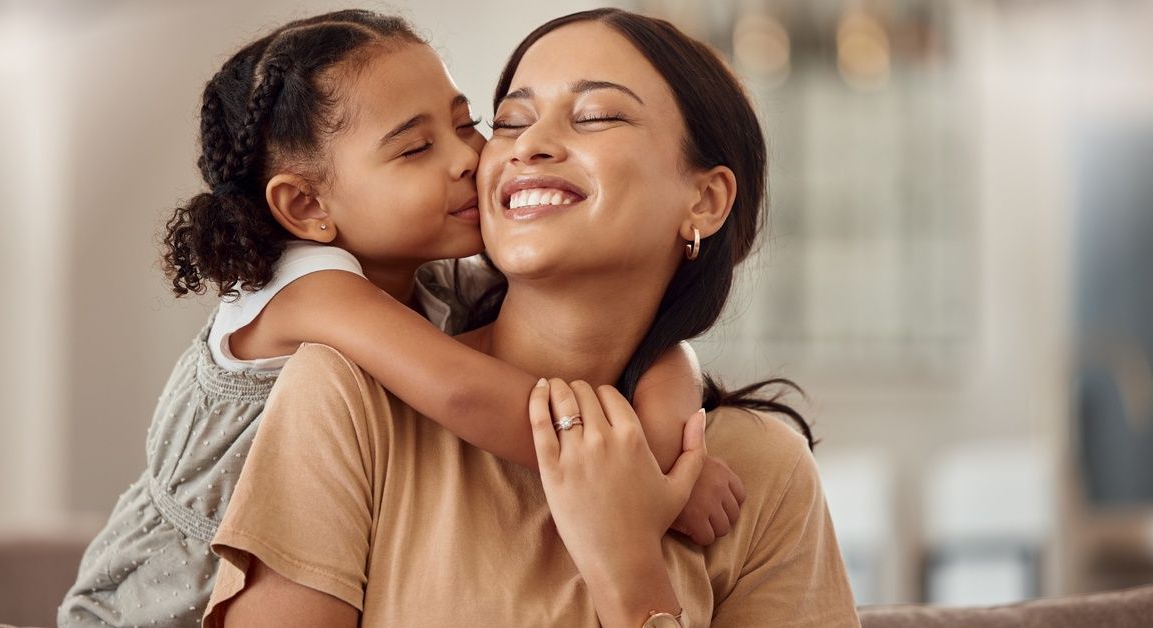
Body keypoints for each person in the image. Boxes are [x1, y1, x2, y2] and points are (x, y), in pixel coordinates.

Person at [59, 9, 745, 627]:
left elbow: (636, 335)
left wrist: (670, 423)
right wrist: (636, 473)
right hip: (155, 601)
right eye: (416, 149)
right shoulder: (311, 292)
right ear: (306, 208)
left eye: (467, 122)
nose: (469, 158)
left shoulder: (431, 280)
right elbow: (464, 391)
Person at [203, 8, 860, 628]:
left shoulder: (760, 469)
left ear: (706, 200)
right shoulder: (346, 396)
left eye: (597, 115)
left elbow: (662, 358)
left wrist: (629, 569)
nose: (528, 146)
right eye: (512, 121)